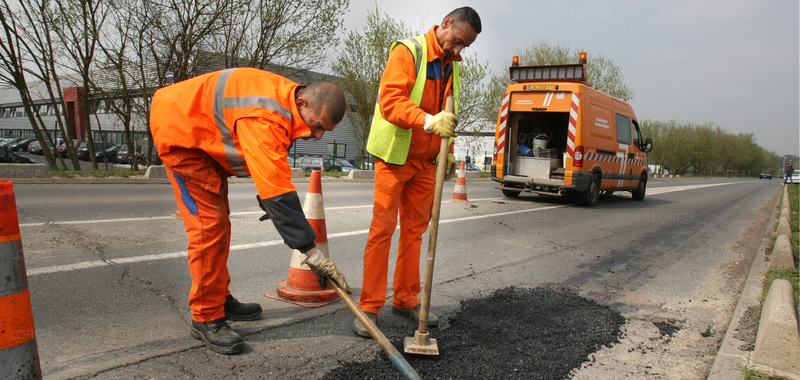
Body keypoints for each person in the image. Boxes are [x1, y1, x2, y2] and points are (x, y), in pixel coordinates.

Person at [150, 68, 351, 354]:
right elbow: (277, 192)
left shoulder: (289, 100)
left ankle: (219, 298)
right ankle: (206, 317)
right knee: (209, 231)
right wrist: (313, 254)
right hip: (183, 140)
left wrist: (274, 200)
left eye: (323, 131)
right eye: (317, 125)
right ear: (304, 103)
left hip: (198, 135)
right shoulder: (265, 119)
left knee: (220, 228)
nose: (316, 135)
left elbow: (270, 172)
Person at [354, 7, 482, 337]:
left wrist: (448, 151)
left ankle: (406, 298)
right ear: (446, 24)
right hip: (396, 158)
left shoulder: (451, 68)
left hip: (426, 164)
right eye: (457, 42)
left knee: (414, 232)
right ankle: (369, 307)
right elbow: (391, 101)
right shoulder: (408, 52)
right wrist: (427, 121)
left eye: (465, 47)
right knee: (383, 230)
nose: (458, 50)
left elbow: (448, 115)